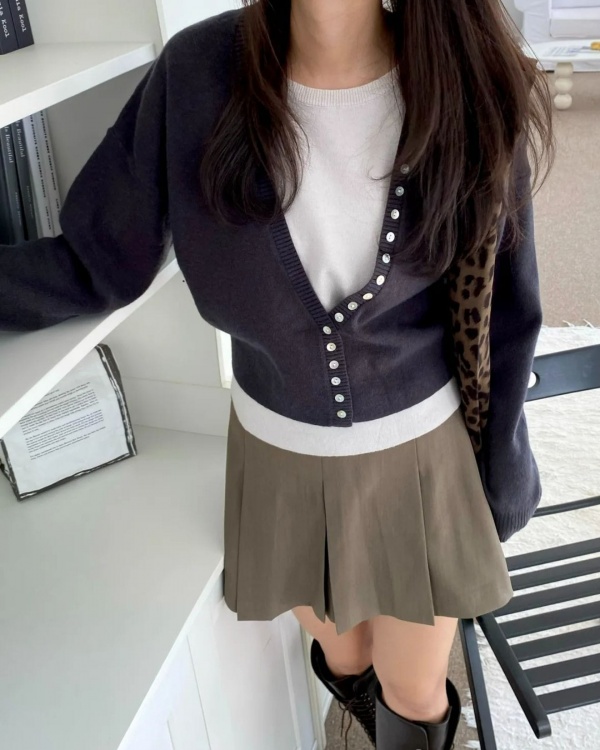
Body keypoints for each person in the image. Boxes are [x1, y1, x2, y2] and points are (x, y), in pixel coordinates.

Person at [0, 1, 556, 748]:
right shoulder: (196, 74)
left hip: (421, 459)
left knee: (412, 688)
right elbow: (99, 260)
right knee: (345, 655)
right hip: (279, 462)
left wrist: (502, 472)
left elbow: (507, 313)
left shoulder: (464, 77)